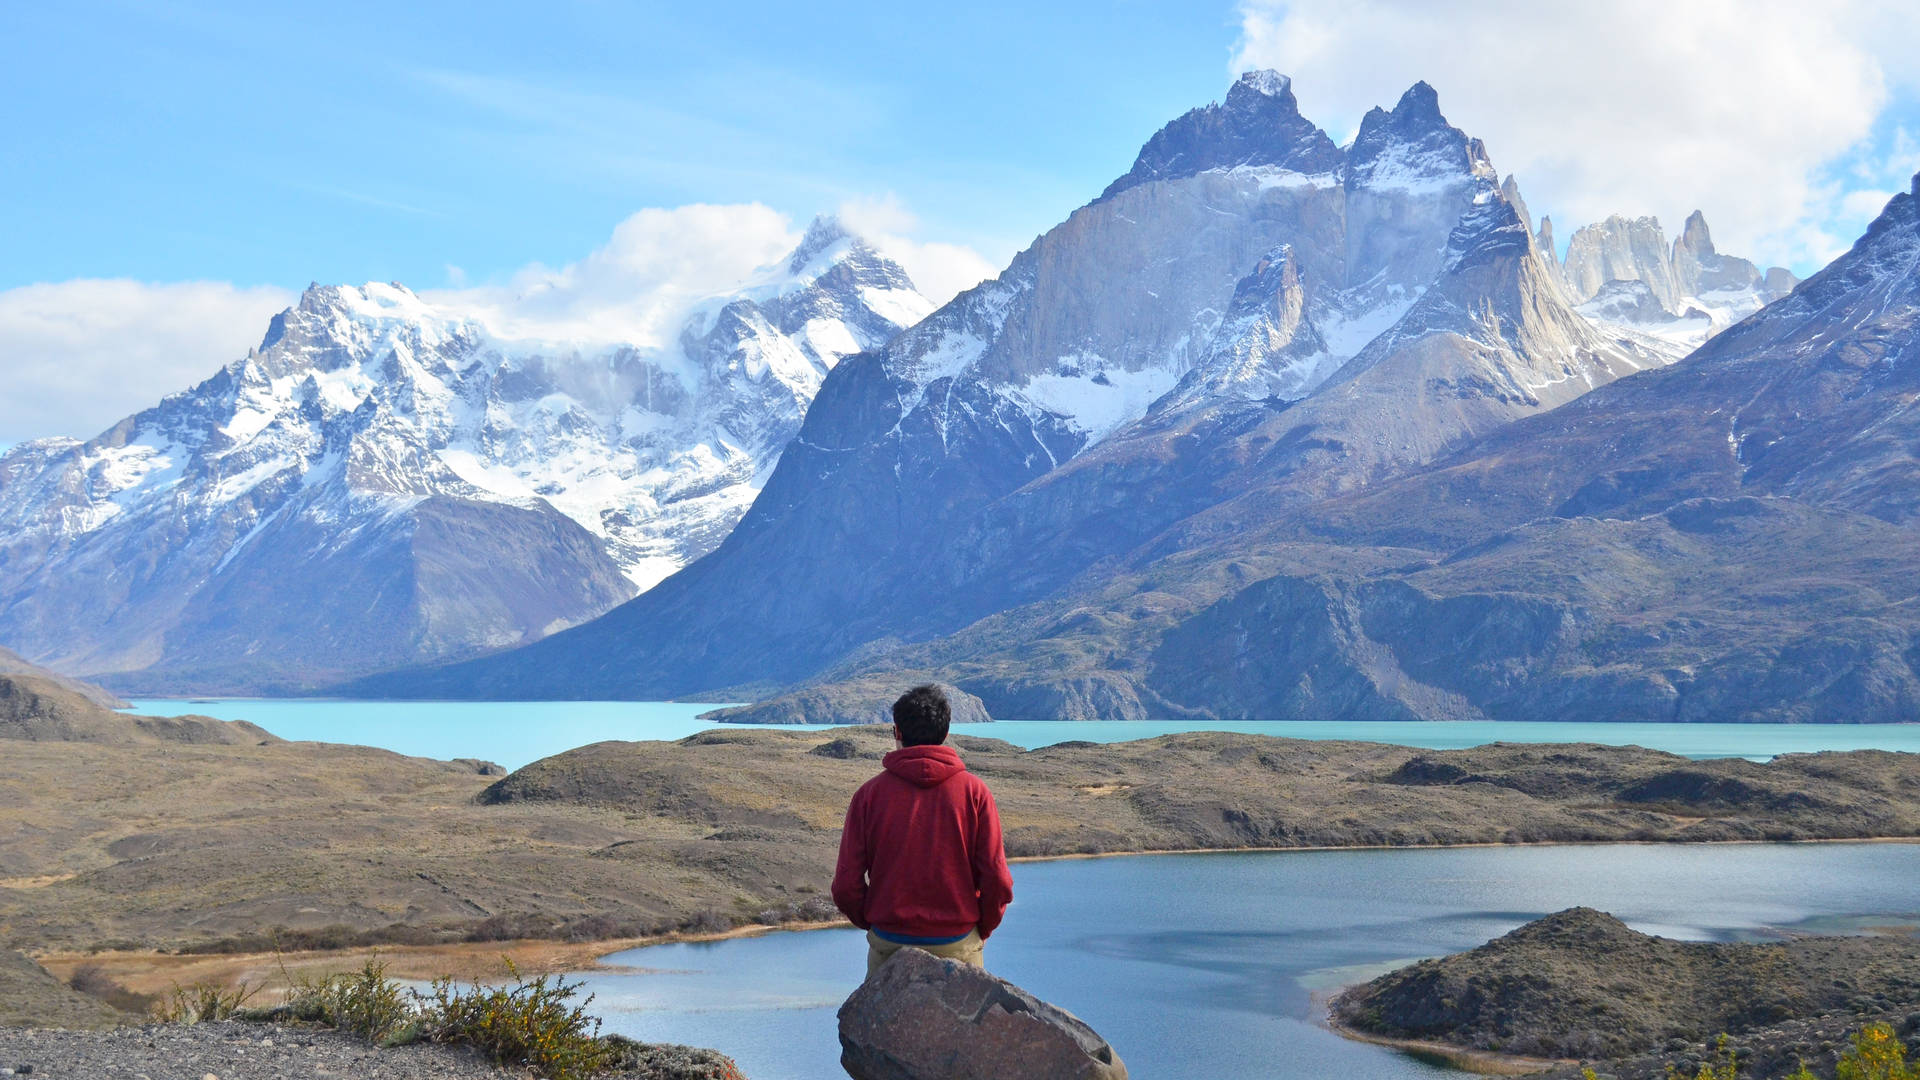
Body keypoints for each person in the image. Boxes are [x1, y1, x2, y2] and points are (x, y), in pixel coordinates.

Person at [831, 684, 1014, 978]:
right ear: (945, 733)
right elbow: (997, 880)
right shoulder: (975, 793)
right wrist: (980, 928)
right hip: (958, 943)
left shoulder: (869, 796)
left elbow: (845, 886)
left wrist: (876, 922)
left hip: (889, 943)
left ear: (897, 732)